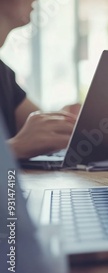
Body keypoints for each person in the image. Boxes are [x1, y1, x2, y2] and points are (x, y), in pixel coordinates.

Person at [0, 0, 80, 159]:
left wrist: (65, 119)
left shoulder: (3, 72)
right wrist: (15, 148)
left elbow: (38, 128)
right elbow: (25, 141)